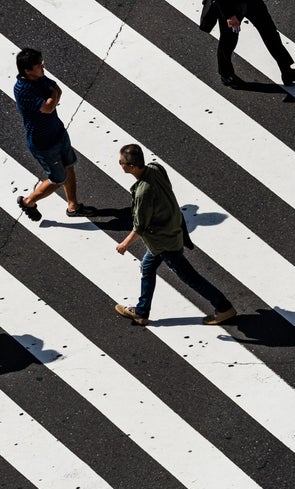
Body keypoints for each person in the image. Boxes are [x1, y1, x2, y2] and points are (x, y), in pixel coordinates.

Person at [114, 144, 236, 326]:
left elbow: (140, 226)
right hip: (172, 229)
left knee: (189, 277)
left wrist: (124, 244)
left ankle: (224, 307)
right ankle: (141, 312)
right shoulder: (156, 168)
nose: (119, 164)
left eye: (121, 162)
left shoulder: (143, 192)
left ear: (131, 167)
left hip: (164, 241)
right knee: (147, 267)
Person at [14, 48, 87, 223]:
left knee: (69, 165)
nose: (43, 66)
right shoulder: (23, 90)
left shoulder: (39, 78)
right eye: (39, 65)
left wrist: (52, 97)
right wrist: (53, 96)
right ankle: (28, 202)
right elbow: (48, 107)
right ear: (27, 70)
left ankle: (73, 206)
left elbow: (56, 92)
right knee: (58, 178)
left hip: (58, 132)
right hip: (43, 144)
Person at [199, 0, 295, 89]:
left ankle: (286, 70)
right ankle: (226, 75)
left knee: (270, 33)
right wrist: (229, 15)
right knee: (228, 40)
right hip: (231, 5)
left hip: (252, 2)